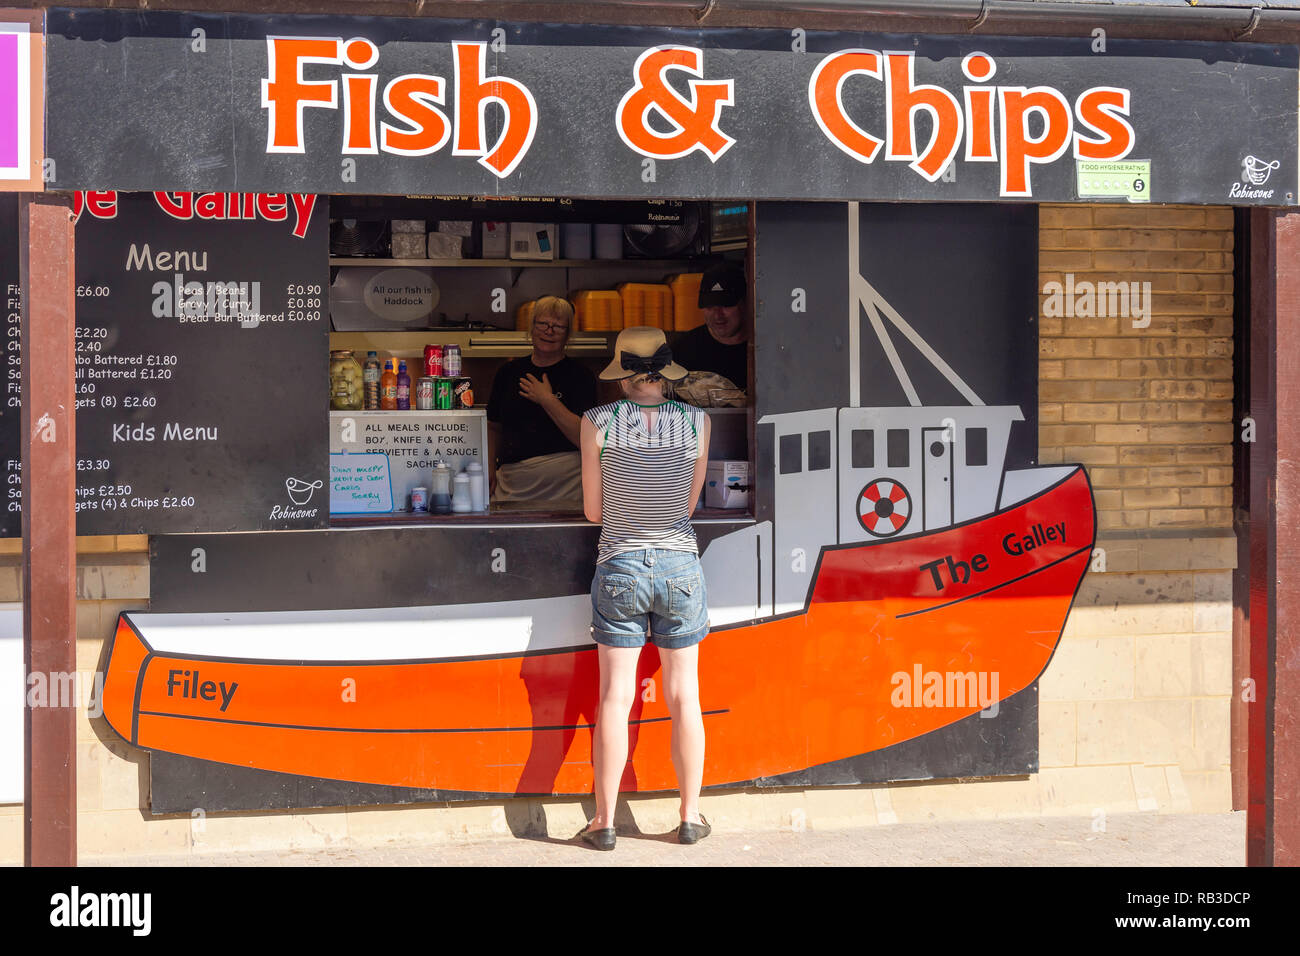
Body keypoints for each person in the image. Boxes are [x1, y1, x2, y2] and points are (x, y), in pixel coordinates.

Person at [575, 326, 713, 850]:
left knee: (615, 696)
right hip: (680, 562)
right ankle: (689, 816)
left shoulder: (597, 422)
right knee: (685, 695)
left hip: (620, 562)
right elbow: (688, 505)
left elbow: (593, 511)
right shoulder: (698, 422)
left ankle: (604, 822)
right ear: (664, 372)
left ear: (624, 372)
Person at [486, 296, 597, 508]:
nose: (549, 331)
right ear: (532, 327)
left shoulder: (581, 376)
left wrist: (547, 399)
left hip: (568, 486)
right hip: (513, 484)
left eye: (559, 326)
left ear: (568, 335)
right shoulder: (508, 372)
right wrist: (489, 467)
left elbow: (585, 438)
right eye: (543, 324)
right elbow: (493, 427)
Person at [671, 261, 749, 390]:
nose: (718, 315)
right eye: (709, 307)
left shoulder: (765, 349)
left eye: (726, 305)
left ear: (746, 303)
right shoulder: (682, 351)